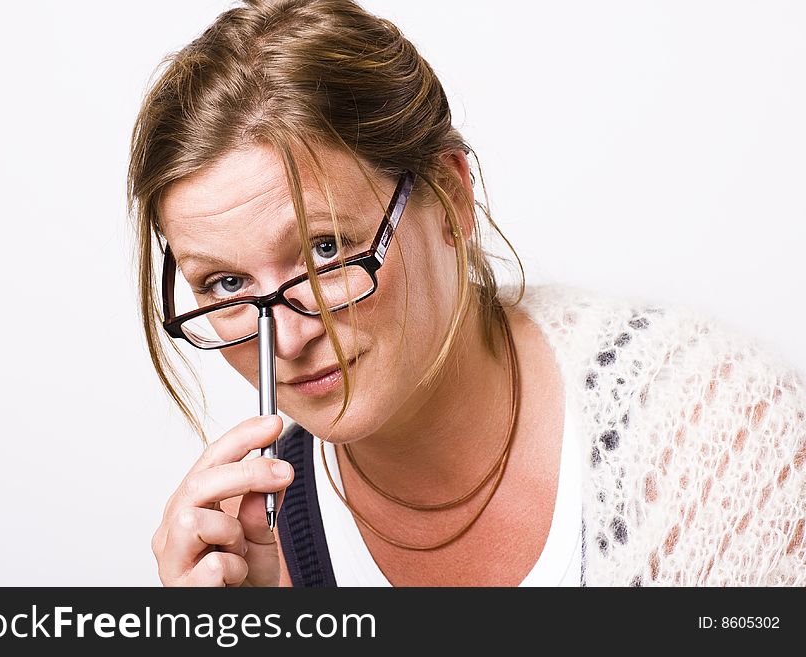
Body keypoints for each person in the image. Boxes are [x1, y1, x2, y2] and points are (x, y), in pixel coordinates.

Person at [127, 0, 806, 587]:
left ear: (450, 196)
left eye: (326, 249)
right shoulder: (257, 543)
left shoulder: (712, 436)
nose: (286, 339)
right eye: (226, 282)